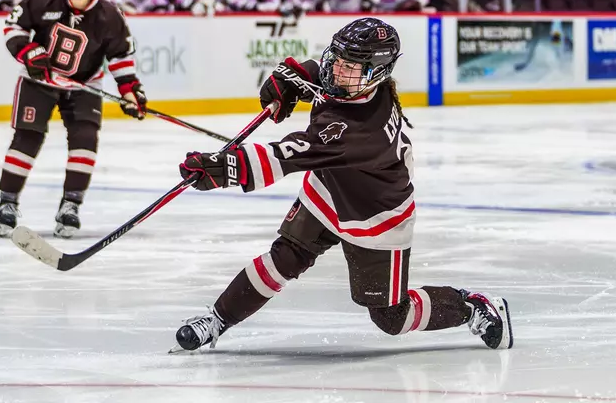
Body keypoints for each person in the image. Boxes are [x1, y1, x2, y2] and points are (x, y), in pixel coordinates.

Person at [174, 18, 513, 352]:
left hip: (375, 218)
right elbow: (315, 73)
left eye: (350, 67)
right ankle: (217, 319)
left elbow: (284, 157)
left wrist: (222, 169)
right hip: (328, 193)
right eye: (337, 59)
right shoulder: (355, 84)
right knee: (285, 257)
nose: (337, 71)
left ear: (376, 72)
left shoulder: (357, 133)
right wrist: (290, 77)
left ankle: (472, 307)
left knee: (391, 318)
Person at [0, 0, 147, 239]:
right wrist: (28, 52)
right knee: (27, 138)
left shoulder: (109, 16)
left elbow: (121, 57)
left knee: (85, 139)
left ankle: (70, 205)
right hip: (38, 82)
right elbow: (12, 26)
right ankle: (7, 203)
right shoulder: (43, 1)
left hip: (83, 86)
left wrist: (130, 91)